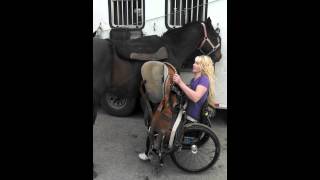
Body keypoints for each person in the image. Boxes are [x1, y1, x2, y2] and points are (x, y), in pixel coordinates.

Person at [138, 55, 216, 161]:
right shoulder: (196, 79)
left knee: (161, 120)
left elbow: (195, 97)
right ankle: (156, 147)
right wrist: (179, 85)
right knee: (162, 113)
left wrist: (180, 83)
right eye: (194, 62)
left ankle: (154, 150)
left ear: (203, 67)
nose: (193, 65)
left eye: (197, 63)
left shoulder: (204, 80)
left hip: (190, 116)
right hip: (186, 110)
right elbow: (190, 91)